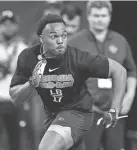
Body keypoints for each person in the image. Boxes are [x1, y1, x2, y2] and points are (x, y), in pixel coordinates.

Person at [9, 14, 127, 150]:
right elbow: (16, 97)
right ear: (41, 38)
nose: (60, 41)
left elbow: (119, 71)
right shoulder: (28, 57)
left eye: (64, 36)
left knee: (47, 148)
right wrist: (31, 83)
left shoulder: (78, 57)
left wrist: (115, 109)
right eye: (54, 36)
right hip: (51, 115)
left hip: (78, 112)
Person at [68, 1, 137, 150]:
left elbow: (131, 70)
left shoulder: (120, 41)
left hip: (114, 112)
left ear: (110, 17)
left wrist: (130, 95)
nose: (100, 19)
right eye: (96, 15)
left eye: (103, 15)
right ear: (88, 16)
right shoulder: (75, 42)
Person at [0, 10, 27, 150]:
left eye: (11, 24)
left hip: (13, 101)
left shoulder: (22, 48)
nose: (8, 27)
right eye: (4, 24)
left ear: (16, 27)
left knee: (15, 139)